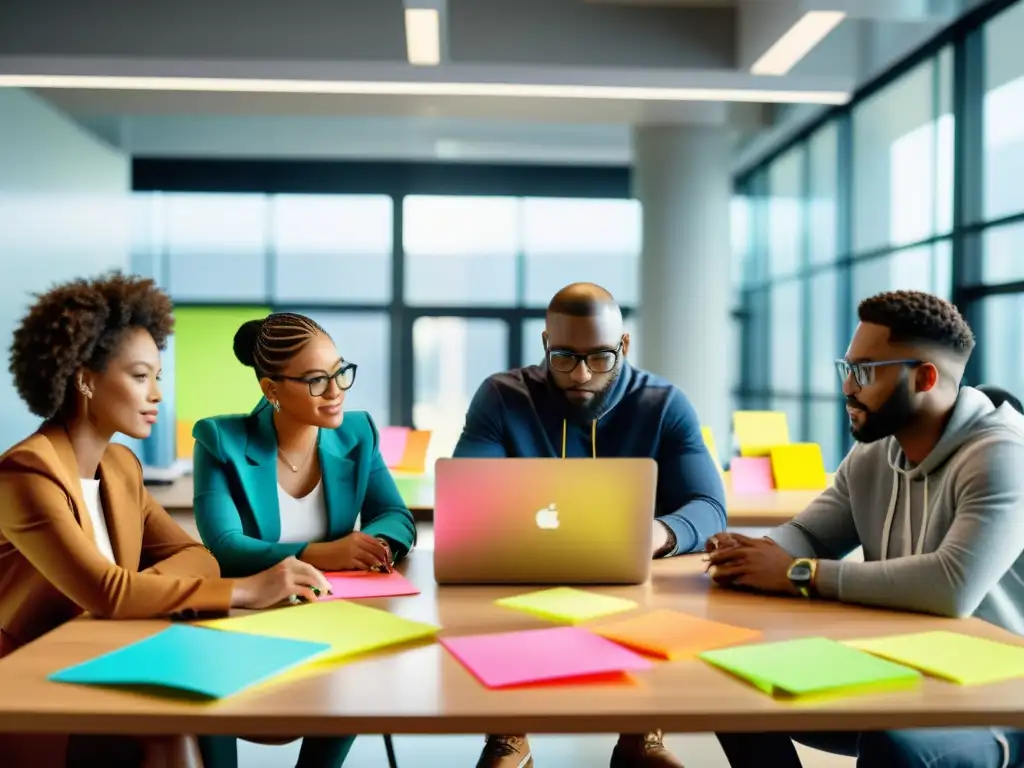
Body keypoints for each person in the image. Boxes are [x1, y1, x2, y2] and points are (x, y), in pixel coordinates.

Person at [0, 273, 330, 768]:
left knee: (286, 699)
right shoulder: (26, 472)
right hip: (34, 683)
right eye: (139, 376)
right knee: (169, 732)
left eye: (158, 376)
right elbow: (108, 594)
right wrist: (247, 590)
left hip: (113, 657)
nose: (157, 393)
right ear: (84, 378)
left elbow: (198, 558)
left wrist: (136, 592)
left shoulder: (121, 467)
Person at [707, 290, 1024, 768]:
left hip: (996, 697)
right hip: (898, 666)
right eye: (847, 368)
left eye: (864, 372)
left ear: (925, 377)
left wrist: (799, 573)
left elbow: (951, 587)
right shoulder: (877, 449)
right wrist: (755, 551)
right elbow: (812, 534)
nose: (847, 387)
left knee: (894, 743)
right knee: (725, 677)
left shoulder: (1003, 455)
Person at [454, 282, 727, 768]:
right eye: (564, 356)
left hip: (632, 579)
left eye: (599, 356)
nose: (580, 373)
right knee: (481, 595)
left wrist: (656, 535)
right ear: (544, 344)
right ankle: (507, 734)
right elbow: (469, 498)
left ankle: (641, 734)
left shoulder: (664, 403)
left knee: (660, 595)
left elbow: (708, 507)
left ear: (624, 346)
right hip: (523, 572)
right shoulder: (500, 395)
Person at [191, 312, 417, 768]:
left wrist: (376, 544)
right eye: (316, 381)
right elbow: (225, 545)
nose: (336, 392)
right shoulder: (220, 439)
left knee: (364, 663)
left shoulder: (359, 432)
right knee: (205, 670)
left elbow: (395, 515)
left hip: (331, 620)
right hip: (243, 622)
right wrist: (322, 553)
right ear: (271, 388)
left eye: (340, 373)